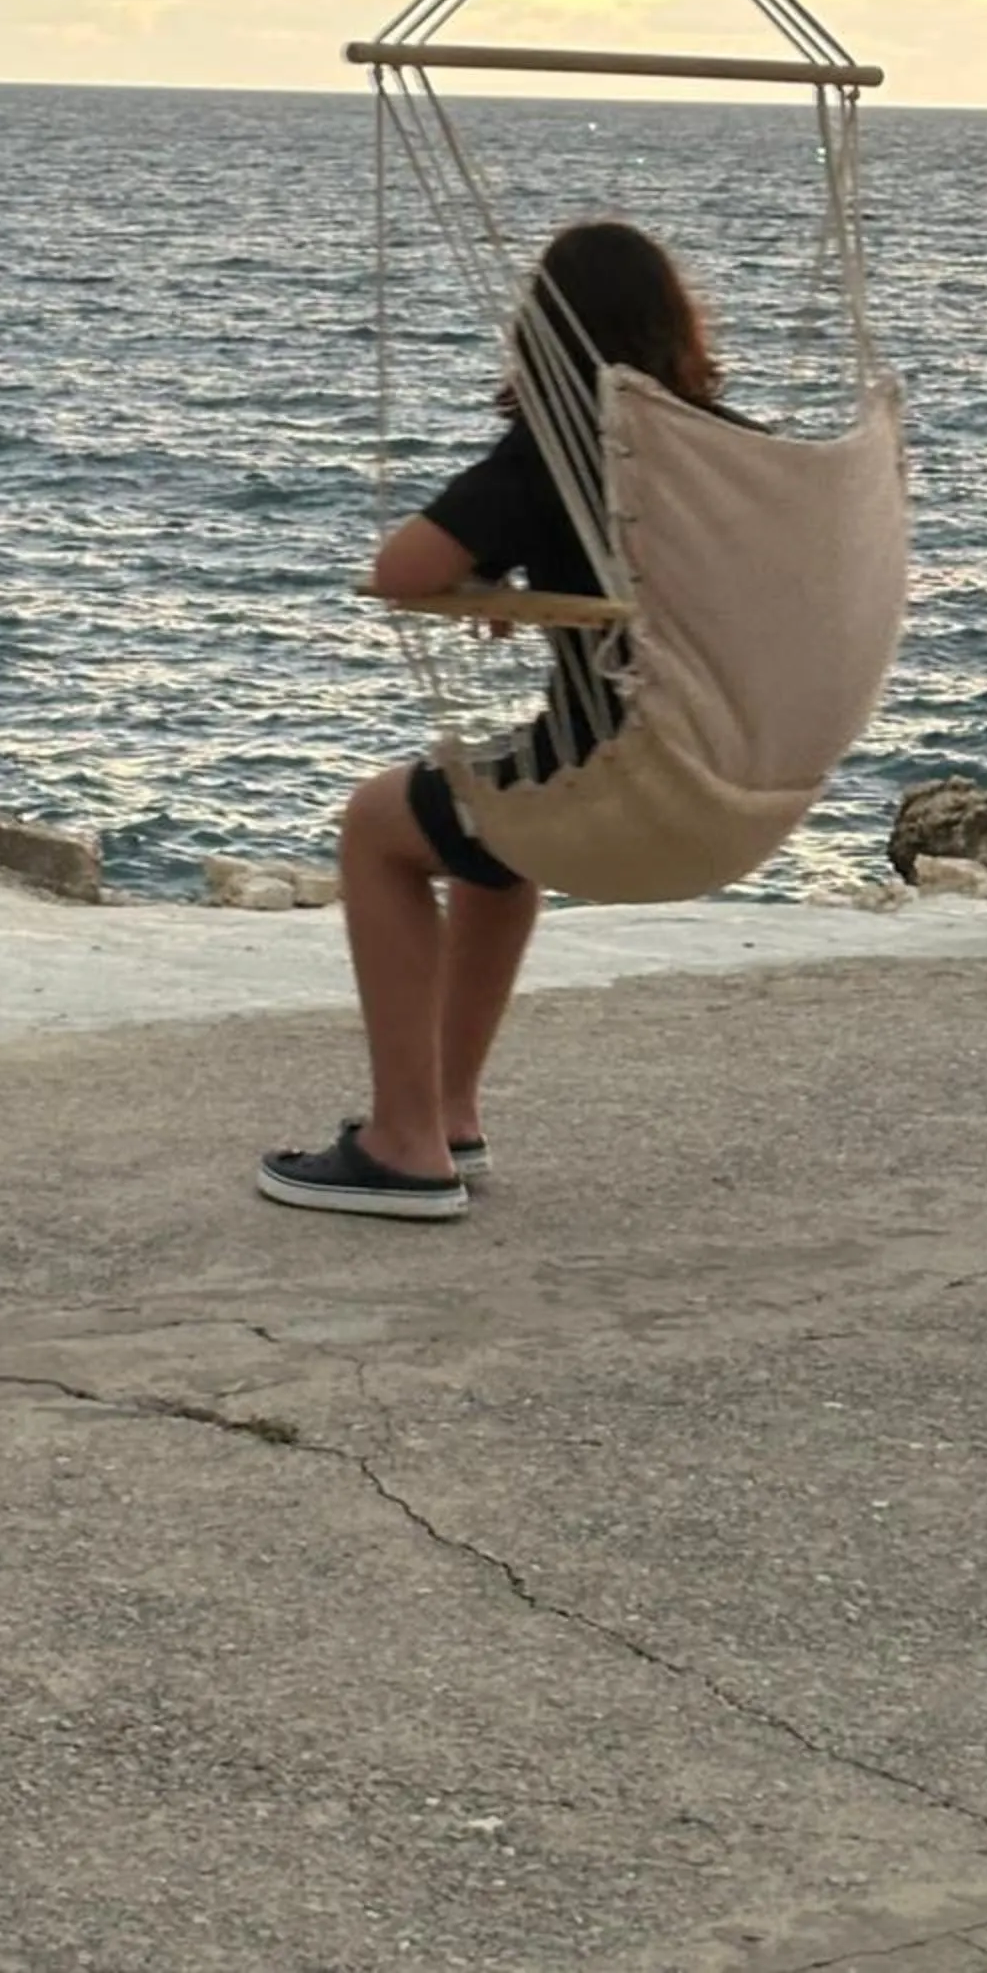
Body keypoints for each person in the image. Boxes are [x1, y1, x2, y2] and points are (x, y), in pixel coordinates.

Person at [258, 218, 727, 1223]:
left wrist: (482, 575)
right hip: (730, 771)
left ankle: (402, 1150)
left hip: (613, 771)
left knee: (380, 828)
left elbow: (401, 570)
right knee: (488, 848)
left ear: (543, 335)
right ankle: (452, 1114)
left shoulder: (560, 447)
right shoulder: (725, 448)